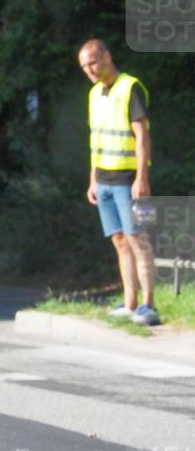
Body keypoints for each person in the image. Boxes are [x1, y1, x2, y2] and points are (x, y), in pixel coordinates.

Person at [77, 39, 160, 326]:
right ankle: (129, 303)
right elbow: (96, 140)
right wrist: (92, 179)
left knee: (138, 239)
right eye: (84, 66)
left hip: (128, 180)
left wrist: (142, 177)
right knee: (120, 241)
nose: (89, 70)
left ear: (107, 57)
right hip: (104, 181)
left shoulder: (129, 87)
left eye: (93, 63)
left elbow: (142, 136)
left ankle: (149, 305)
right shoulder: (93, 94)